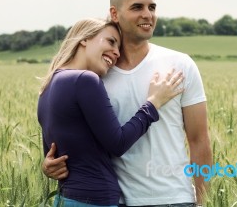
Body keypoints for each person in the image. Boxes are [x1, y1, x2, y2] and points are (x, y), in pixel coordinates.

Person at [43, 0, 212, 206]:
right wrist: (48, 164)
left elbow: (199, 140)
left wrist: (203, 200)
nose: (147, 14)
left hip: (174, 199)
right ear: (115, 13)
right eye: (137, 7)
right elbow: (74, 135)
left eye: (152, 7)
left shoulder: (180, 65)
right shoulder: (98, 73)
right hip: (117, 200)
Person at [37, 18, 185, 206]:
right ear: (84, 39)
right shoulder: (85, 80)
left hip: (65, 198)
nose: (116, 53)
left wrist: (46, 167)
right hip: (94, 200)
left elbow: (52, 155)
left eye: (119, 48)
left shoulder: (47, 87)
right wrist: (154, 102)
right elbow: (118, 143)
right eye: (111, 41)